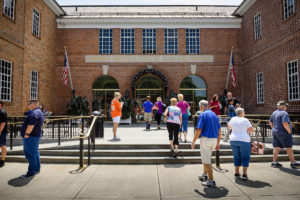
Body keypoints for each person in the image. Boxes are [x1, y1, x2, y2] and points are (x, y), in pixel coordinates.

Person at [191, 100, 221, 187]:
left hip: (206, 140)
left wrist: (193, 141)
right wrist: (218, 142)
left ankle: (211, 180)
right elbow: (219, 130)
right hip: (214, 140)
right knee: (206, 158)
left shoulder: (203, 114)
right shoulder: (214, 115)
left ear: (201, 107)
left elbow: (199, 129)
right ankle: (204, 175)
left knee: (207, 161)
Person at [269, 101, 300, 168]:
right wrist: (289, 131)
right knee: (289, 147)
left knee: (276, 147)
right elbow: (285, 123)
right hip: (284, 133)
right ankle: (293, 163)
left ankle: (274, 162)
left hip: (275, 132)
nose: (286, 108)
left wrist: (275, 129)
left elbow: (270, 123)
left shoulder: (274, 112)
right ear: (283, 106)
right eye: (286, 106)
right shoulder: (284, 113)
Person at [228, 108, 254, 181]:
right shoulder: (245, 120)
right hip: (244, 140)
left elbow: (229, 127)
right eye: (244, 112)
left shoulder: (233, 119)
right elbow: (251, 130)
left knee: (236, 156)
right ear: (242, 113)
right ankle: (244, 174)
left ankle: (236, 172)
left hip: (233, 140)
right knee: (245, 157)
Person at [20, 100, 44, 178]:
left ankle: (31, 172)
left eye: (29, 104)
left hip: (31, 137)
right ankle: (36, 169)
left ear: (33, 104)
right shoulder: (39, 112)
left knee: (30, 155)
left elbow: (31, 125)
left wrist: (26, 134)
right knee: (35, 153)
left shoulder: (34, 113)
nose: (28, 105)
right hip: (35, 136)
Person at [0, 101, 7, 168]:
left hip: (2, 133)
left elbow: (3, 123)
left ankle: (2, 160)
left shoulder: (2, 112)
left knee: (2, 146)